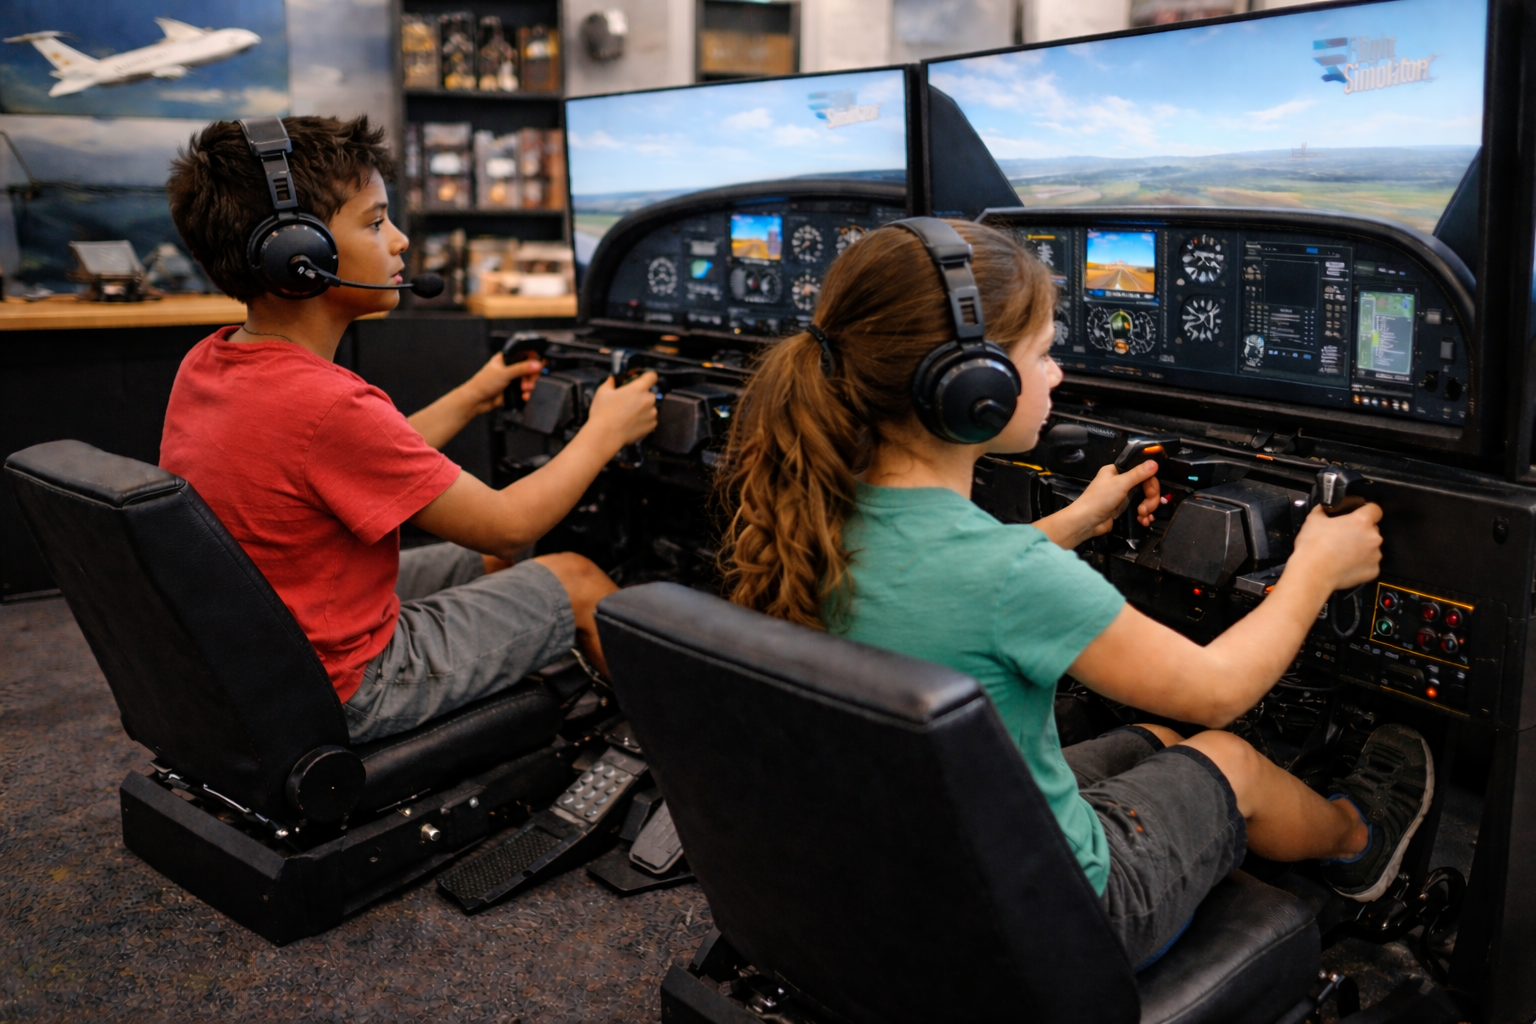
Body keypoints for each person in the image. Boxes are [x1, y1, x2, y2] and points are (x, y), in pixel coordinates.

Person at [718, 218, 1433, 969]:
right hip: (1062, 919)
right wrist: (1316, 568)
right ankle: (1360, 842)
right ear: (972, 391)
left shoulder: (809, 520)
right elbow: (1219, 690)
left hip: (903, 865)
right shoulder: (1015, 575)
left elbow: (955, 584)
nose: (1058, 374)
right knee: (1227, 753)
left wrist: (1079, 520)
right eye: (1044, 354)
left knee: (1157, 741)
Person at [161, 115, 659, 742]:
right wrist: (607, 430)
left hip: (266, 646)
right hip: (348, 687)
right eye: (375, 222)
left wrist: (476, 395)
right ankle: (694, 764)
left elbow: (369, 461)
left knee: (497, 558)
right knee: (575, 577)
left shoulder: (214, 362)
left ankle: (505, 698)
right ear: (299, 255)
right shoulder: (327, 404)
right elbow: (512, 519)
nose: (398, 241)